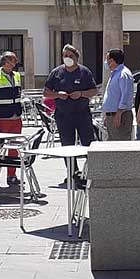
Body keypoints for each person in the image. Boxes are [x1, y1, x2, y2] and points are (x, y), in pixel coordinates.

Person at [44, 44, 99, 182]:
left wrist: (81, 93)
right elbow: (46, 92)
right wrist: (57, 94)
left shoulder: (84, 72)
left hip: (82, 114)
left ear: (76, 57)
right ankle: (72, 174)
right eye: (65, 56)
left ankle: (92, 172)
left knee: (88, 142)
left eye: (71, 56)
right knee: (67, 145)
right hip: (63, 115)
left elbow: (94, 91)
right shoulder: (56, 73)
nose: (68, 58)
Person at [0, 51, 24, 187]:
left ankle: (11, 176)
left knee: (13, 148)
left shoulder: (17, 75)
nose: (15, 61)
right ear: (5, 62)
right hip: (1, 117)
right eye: (12, 59)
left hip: (15, 117)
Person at [101, 48, 135, 142]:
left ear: (112, 60)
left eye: (107, 59)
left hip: (120, 116)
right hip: (112, 116)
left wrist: (118, 114)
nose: (106, 62)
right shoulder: (114, 73)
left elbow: (126, 96)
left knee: (120, 145)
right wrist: (107, 116)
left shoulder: (123, 74)